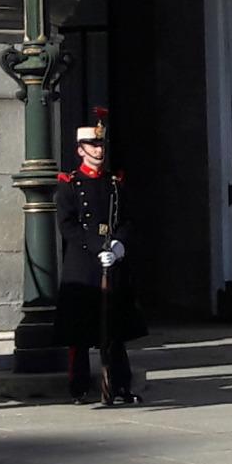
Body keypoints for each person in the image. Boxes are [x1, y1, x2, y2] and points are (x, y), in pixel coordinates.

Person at [54, 120, 147, 404]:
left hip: (112, 260)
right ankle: (79, 387)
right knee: (80, 332)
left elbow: (127, 219)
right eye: (93, 146)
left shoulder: (114, 183)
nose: (98, 150)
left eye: (101, 145)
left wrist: (119, 244)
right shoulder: (70, 185)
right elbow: (68, 226)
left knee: (114, 330)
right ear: (81, 150)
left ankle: (120, 385)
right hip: (84, 263)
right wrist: (96, 248)